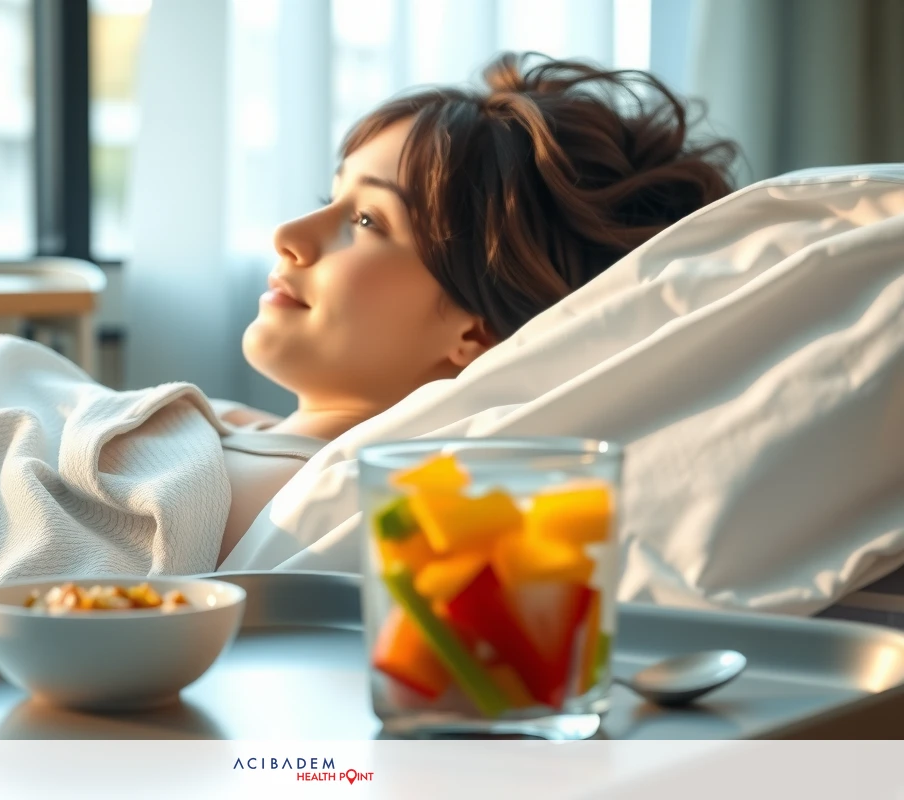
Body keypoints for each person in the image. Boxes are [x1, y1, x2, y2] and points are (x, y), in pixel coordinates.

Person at [213, 52, 738, 564]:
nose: (289, 235)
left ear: (478, 333)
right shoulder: (231, 432)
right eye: (328, 197)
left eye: (369, 221)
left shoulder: (286, 500)